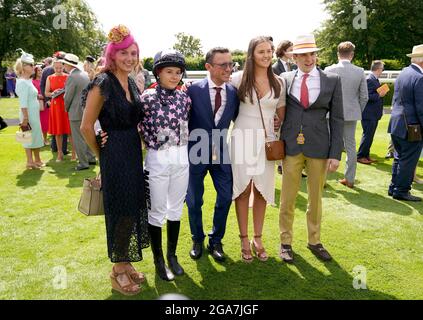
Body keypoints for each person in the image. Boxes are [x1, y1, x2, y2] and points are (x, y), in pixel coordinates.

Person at [80, 24, 149, 296]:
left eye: (133, 53)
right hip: (114, 155)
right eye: (123, 53)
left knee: (131, 208)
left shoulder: (129, 80)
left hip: (132, 152)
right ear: (112, 54)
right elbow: (86, 126)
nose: (130, 58)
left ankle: (125, 261)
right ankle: (117, 272)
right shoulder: (103, 81)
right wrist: (100, 152)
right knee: (121, 211)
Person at [279, 34, 344, 263]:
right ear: (294, 57)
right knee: (287, 198)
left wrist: (335, 154)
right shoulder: (284, 78)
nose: (309, 58)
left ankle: (314, 241)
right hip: (290, 146)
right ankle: (285, 242)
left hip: (319, 147)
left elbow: (337, 119)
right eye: (304, 54)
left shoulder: (332, 80)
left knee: (315, 199)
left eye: (312, 54)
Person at [230, 36, 286, 263]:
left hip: (267, 142)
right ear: (251, 54)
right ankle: (244, 238)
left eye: (269, 51)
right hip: (242, 138)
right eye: (261, 51)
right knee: (242, 190)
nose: (266, 55)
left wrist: (278, 122)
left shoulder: (280, 82)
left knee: (262, 191)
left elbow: (281, 112)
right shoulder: (236, 79)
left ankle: (258, 238)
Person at [138, 50, 191, 281]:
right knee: (157, 210)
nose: (174, 76)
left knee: (176, 209)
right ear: (158, 72)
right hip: (157, 158)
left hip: (181, 157)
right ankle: (158, 259)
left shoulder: (184, 98)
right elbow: (135, 126)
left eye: (178, 72)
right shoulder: (146, 98)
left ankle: (172, 255)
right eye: (169, 71)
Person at [186, 47, 240, 262]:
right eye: (223, 65)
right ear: (208, 67)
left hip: (222, 153)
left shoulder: (234, 93)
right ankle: (197, 239)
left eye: (231, 64)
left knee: (226, 197)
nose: (229, 69)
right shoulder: (191, 91)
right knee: (194, 201)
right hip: (195, 153)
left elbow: (240, 119)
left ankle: (216, 240)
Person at [325, 41, 368, 188]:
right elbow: (364, 97)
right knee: (350, 147)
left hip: (330, 114)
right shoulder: (360, 71)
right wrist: (356, 110)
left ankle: (322, 179)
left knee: (327, 145)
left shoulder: (328, 69)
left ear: (338, 54)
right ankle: (349, 179)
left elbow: (324, 94)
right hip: (350, 114)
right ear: (352, 55)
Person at [388, 44, 423, 202]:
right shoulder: (420, 77)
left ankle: (394, 187)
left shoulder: (404, 72)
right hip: (411, 125)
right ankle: (401, 190)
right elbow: (421, 107)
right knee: (408, 159)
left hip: (397, 122)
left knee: (399, 157)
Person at [63, 53, 97, 171]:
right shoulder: (84, 74)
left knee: (78, 138)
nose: (63, 66)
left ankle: (83, 163)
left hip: (75, 110)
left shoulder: (72, 77)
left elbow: (68, 97)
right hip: (85, 109)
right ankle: (91, 157)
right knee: (86, 135)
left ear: (68, 65)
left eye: (64, 64)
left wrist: (65, 108)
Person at [14, 50, 44, 169]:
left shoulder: (28, 81)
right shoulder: (22, 82)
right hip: (27, 114)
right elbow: (23, 102)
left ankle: (36, 160)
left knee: (35, 135)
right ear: (24, 67)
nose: (33, 67)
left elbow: (30, 96)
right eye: (31, 65)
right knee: (27, 136)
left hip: (33, 113)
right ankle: (30, 161)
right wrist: (25, 118)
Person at [357, 60, 387, 164]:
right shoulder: (370, 79)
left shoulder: (374, 79)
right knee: (367, 135)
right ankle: (360, 156)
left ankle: (366, 155)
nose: (382, 71)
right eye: (382, 69)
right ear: (378, 69)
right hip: (369, 114)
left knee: (369, 136)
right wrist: (380, 95)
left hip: (373, 113)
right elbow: (366, 96)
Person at [273, 40, 295, 175]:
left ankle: (286, 163)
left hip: (290, 107)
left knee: (287, 136)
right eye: (291, 49)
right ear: (283, 51)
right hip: (278, 107)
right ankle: (280, 164)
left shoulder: (292, 67)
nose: (293, 52)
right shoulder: (275, 68)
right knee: (279, 137)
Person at [41, 52, 68, 154]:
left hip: (65, 103)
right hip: (55, 103)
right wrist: (50, 96)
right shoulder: (48, 75)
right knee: (56, 127)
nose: (58, 70)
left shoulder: (67, 76)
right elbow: (44, 89)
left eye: (60, 68)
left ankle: (64, 150)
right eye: (56, 68)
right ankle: (57, 149)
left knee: (66, 127)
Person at [32, 65, 49, 145]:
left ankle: (45, 139)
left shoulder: (45, 81)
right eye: (38, 70)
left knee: (45, 122)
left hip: (45, 104)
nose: (40, 72)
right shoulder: (32, 82)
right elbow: (31, 93)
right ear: (35, 72)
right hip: (36, 104)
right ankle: (38, 139)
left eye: (41, 70)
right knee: (37, 122)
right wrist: (38, 96)